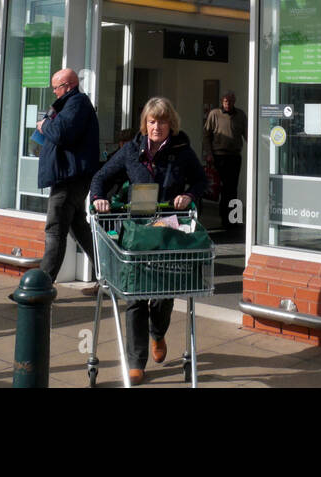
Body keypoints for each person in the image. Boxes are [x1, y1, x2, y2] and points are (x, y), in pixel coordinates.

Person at [91, 97, 207, 385]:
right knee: (135, 295)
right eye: (152, 121)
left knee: (165, 290)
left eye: (162, 121)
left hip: (168, 229)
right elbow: (101, 177)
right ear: (145, 123)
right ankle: (136, 361)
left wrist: (189, 196)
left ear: (171, 124)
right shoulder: (131, 151)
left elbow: (201, 181)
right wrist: (99, 198)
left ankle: (157, 333)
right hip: (138, 233)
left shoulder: (182, 151)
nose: (157, 127)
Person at [34, 68, 99, 283]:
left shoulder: (77, 103)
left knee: (54, 229)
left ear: (68, 85)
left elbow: (62, 134)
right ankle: (108, 274)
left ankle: (41, 285)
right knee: (78, 226)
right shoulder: (70, 104)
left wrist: (45, 126)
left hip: (70, 178)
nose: (54, 92)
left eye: (56, 88)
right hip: (70, 175)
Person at [203, 90, 247, 234]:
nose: (228, 104)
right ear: (222, 101)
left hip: (234, 156)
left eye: (231, 101)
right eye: (226, 101)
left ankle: (233, 220)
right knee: (221, 188)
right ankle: (224, 219)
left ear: (235, 101)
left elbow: (247, 134)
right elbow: (207, 135)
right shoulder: (214, 114)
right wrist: (209, 154)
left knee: (232, 189)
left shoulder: (240, 115)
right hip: (219, 156)